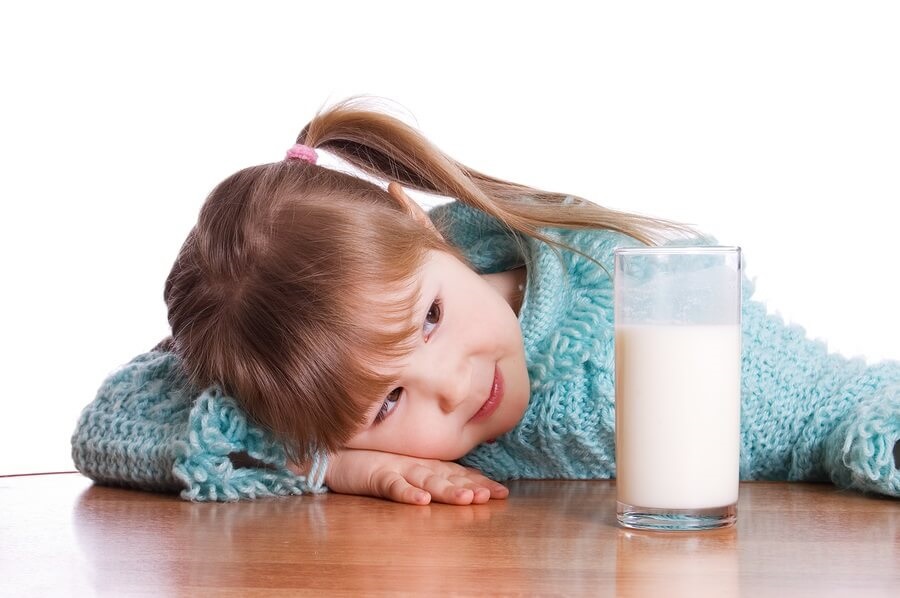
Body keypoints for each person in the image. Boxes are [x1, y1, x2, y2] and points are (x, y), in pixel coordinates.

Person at [72, 97, 900, 503]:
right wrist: (339, 465)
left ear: (423, 227)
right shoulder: (320, 377)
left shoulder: (631, 315)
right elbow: (112, 426)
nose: (455, 385)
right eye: (391, 400)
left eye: (429, 318)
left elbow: (834, 408)